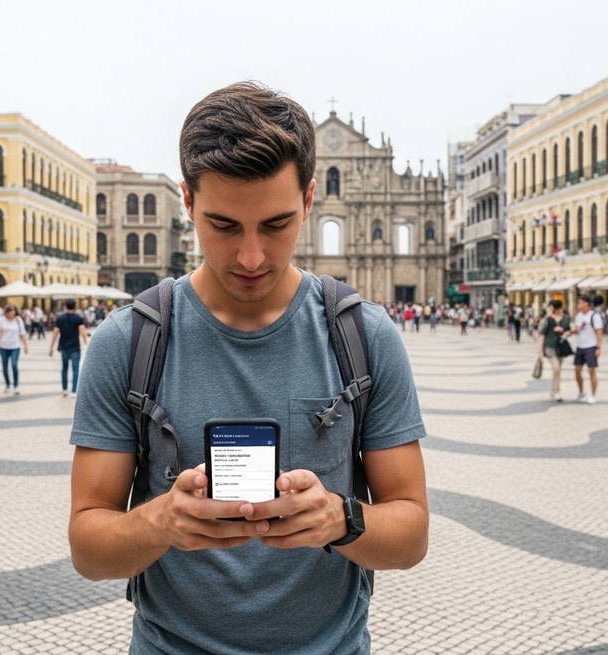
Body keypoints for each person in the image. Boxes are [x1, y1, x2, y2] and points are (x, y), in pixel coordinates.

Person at [67, 81, 428, 654]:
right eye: (225, 226)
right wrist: (161, 522)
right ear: (187, 202)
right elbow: (88, 548)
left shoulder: (364, 337)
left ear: (310, 200)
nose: (252, 257)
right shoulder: (127, 342)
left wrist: (341, 519)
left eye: (277, 224)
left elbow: (411, 535)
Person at [49, 300, 88, 397]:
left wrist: (51, 347)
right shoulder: (78, 318)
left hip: (64, 346)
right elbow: (83, 332)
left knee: (64, 368)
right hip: (75, 347)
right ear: (75, 307)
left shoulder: (60, 318)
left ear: (65, 306)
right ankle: (74, 390)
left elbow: (55, 333)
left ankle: (65, 389)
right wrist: (87, 343)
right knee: (75, 370)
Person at [570, 295, 605, 404]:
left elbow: (599, 333)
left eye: (580, 303)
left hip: (591, 346)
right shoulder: (579, 316)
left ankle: (593, 395)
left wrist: (598, 348)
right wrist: (575, 330)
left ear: (586, 304)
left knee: (591, 371)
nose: (578, 305)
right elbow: (576, 329)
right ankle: (581, 392)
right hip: (580, 346)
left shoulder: (594, 316)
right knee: (577, 371)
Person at [538, 299, 571, 402]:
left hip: (561, 346)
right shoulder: (547, 319)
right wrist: (540, 348)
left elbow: (568, 330)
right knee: (556, 368)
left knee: (557, 370)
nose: (550, 309)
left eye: (551, 307)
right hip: (549, 346)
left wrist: (564, 332)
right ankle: (557, 391)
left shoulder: (565, 318)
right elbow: (542, 333)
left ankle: (554, 389)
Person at [0, 303, 29, 394]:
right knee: (5, 367)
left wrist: (26, 345)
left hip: (15, 346)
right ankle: (7, 384)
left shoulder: (18, 320)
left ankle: (16, 385)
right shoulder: (1, 320)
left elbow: (22, 333)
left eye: (13, 310)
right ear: (6, 312)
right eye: (9, 310)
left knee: (14, 365)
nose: (11, 312)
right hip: (4, 347)